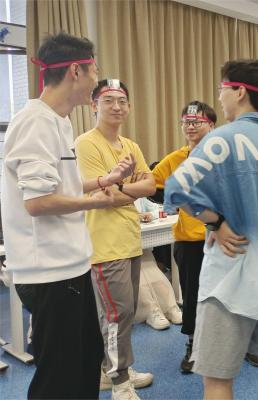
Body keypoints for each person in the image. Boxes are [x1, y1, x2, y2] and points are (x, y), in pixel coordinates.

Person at [0, 32, 135, 399]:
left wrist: (104, 180)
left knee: (85, 360)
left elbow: (61, 186)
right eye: (95, 71)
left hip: (70, 267)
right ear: (76, 71)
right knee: (60, 378)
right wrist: (98, 203)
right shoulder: (35, 122)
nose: (96, 79)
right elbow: (38, 202)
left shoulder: (59, 121)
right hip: (49, 272)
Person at [164, 59, 258, 400]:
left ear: (239, 91)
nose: (219, 97)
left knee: (217, 381)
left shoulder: (221, 140)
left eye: (221, 90)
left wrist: (216, 222)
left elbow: (176, 189)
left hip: (230, 282)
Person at [75, 79, 156, 399]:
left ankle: (114, 370)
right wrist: (124, 189)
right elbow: (101, 195)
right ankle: (119, 382)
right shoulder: (86, 143)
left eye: (122, 101)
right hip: (104, 245)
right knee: (115, 316)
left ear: (129, 107)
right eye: (108, 100)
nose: (116, 106)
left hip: (129, 239)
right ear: (93, 105)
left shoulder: (131, 145)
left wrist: (119, 187)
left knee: (125, 314)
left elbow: (150, 186)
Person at [152, 100, 216, 373]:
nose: (190, 126)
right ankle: (193, 345)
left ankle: (244, 344)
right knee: (192, 296)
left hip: (224, 239)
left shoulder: (224, 157)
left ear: (211, 125)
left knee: (231, 295)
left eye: (197, 121)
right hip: (190, 241)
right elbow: (153, 186)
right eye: (186, 122)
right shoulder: (175, 159)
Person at [134, 197, 183, 330]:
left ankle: (170, 307)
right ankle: (151, 311)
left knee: (149, 265)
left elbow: (163, 209)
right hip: (120, 249)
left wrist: (150, 214)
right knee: (141, 269)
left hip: (140, 245)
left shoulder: (139, 198)